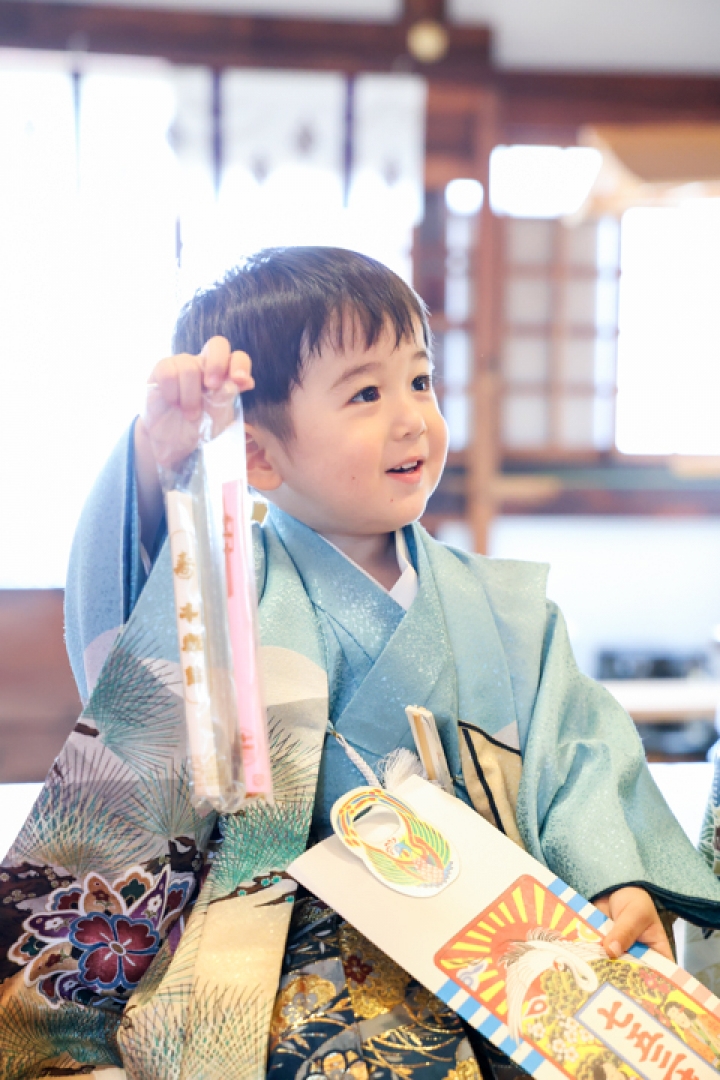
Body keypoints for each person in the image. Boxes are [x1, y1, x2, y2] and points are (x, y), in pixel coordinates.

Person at [3, 247, 720, 1080]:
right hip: (287, 952)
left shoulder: (505, 608)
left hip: (497, 938)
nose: (413, 417)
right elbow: (136, 653)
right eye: (367, 394)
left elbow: (579, 754)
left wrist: (611, 876)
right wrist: (156, 465)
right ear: (258, 455)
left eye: (420, 380)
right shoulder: (228, 591)